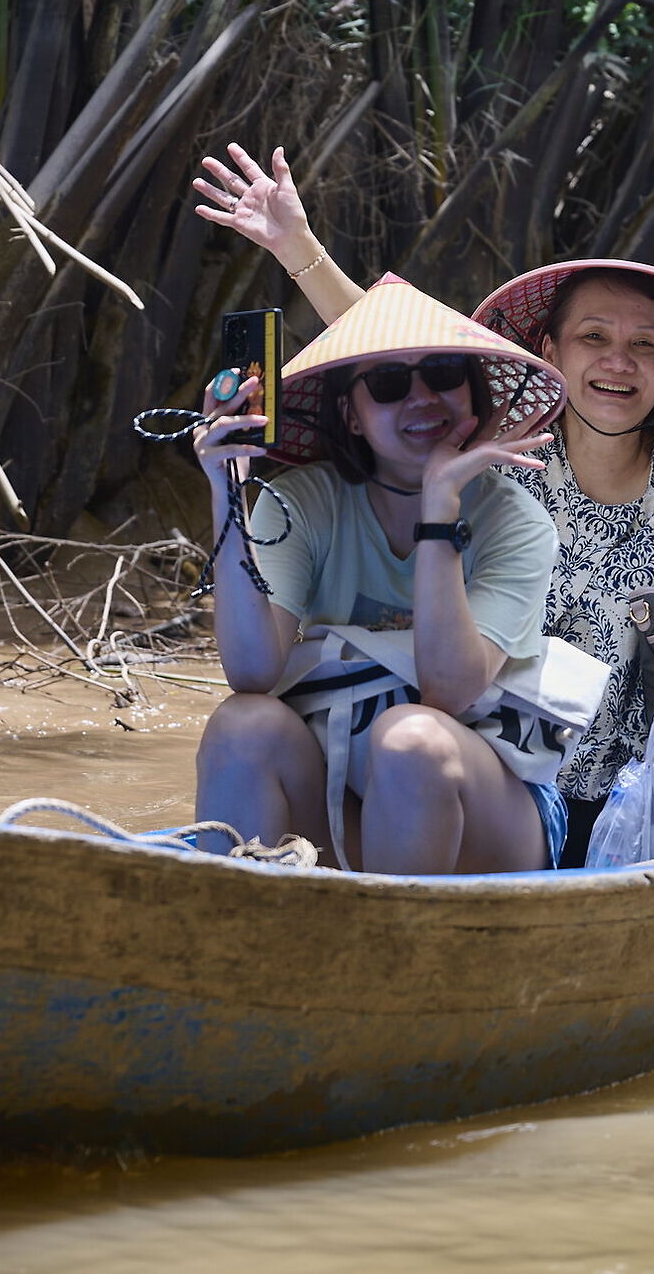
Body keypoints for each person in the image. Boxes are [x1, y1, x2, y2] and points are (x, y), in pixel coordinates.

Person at [192, 146, 654, 857]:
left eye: (643, 346)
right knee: (286, 731)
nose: (617, 361)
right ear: (552, 350)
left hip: (644, 789)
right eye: (594, 338)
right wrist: (299, 249)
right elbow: (400, 363)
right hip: (502, 776)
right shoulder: (509, 451)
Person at [188, 274, 569, 874]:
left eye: (443, 374)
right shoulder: (307, 502)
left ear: (471, 395)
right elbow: (253, 670)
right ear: (353, 416)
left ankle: (395, 958)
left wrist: (439, 507)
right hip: (347, 801)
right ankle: (237, 943)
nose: (422, 399)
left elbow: (449, 691)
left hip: (490, 812)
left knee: (410, 737)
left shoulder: (514, 519)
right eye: (390, 385)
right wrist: (227, 490)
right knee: (243, 725)